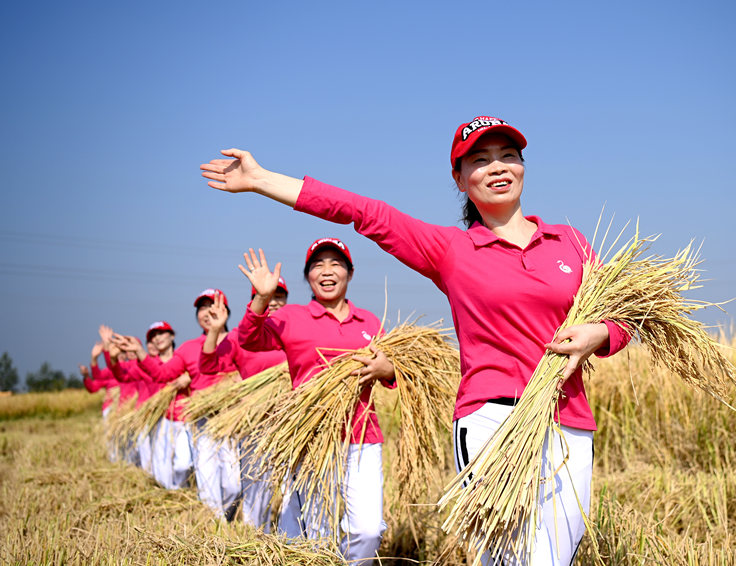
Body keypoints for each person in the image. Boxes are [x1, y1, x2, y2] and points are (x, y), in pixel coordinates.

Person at [201, 116, 630, 565]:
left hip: (568, 419)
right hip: (491, 420)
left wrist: (599, 334)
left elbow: (626, 316)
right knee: (510, 557)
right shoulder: (451, 250)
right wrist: (263, 180)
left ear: (523, 166)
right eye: (480, 161)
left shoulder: (570, 243)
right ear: (460, 179)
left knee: (554, 558)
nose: (498, 167)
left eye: (508, 156)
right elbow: (364, 213)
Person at [236, 241, 394, 566]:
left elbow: (393, 373)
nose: (326, 271)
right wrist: (263, 299)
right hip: (310, 440)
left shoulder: (369, 323)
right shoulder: (292, 317)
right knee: (315, 532)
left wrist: (387, 369)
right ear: (308, 276)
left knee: (368, 530)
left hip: (362, 437)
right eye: (317, 264)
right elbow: (248, 340)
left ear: (350, 273)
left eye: (336, 264)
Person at [116, 293, 240, 514]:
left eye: (212, 306)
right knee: (207, 478)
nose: (206, 312)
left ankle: (228, 516)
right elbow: (163, 374)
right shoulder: (188, 348)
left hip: (233, 418)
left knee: (233, 484)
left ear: (225, 312)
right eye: (201, 308)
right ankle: (216, 528)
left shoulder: (240, 340)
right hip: (201, 419)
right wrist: (139, 352)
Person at [198, 277, 289, 532]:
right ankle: (257, 542)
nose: (273, 302)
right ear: (254, 301)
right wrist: (215, 331)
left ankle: (292, 542)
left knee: (292, 490)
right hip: (254, 424)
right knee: (256, 489)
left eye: (279, 296)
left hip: (292, 421)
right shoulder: (239, 336)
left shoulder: (295, 328)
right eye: (266, 296)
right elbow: (208, 366)